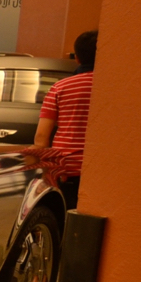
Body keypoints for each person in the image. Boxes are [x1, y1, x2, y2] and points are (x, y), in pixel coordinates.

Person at [35, 30, 96, 208]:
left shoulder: (60, 88)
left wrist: (46, 169)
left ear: (77, 58)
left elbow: (41, 137)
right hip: (102, 171)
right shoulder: (115, 88)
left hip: (66, 169)